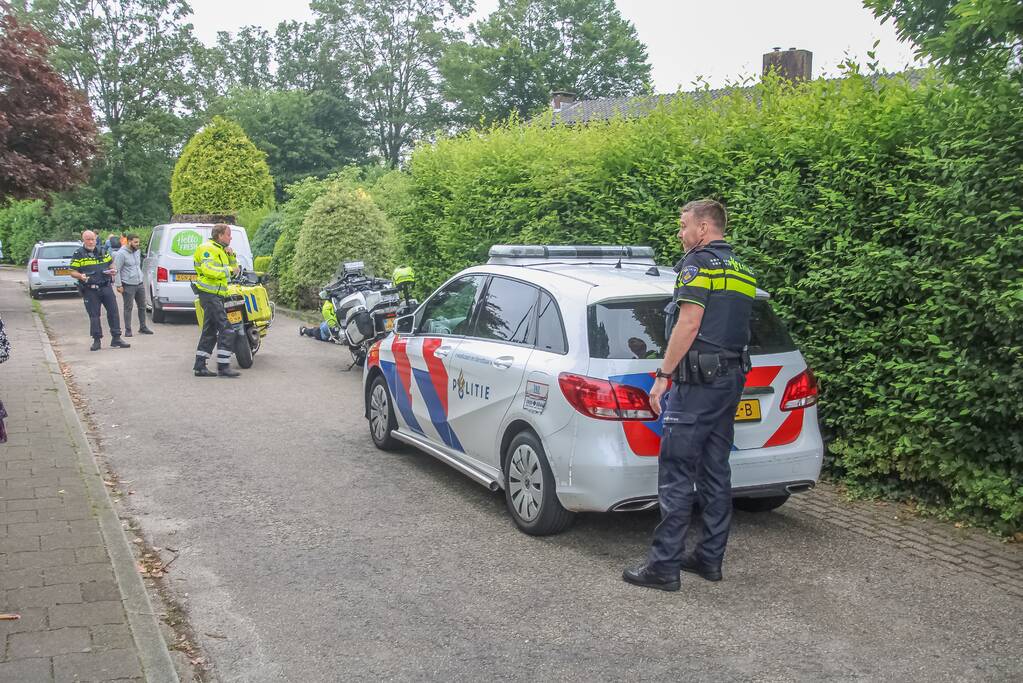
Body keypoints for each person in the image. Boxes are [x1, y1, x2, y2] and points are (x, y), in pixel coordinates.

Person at [623, 199, 756, 592]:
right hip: (730, 381)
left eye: (683, 226)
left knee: (677, 472)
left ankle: (664, 566)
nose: (680, 234)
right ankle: (709, 558)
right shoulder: (743, 270)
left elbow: (690, 321)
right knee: (716, 470)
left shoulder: (696, 266)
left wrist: (663, 375)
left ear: (702, 228)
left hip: (696, 384)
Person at [69, 231, 130, 352]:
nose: (91, 242)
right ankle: (97, 340)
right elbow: (72, 271)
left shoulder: (102, 250)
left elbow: (111, 263)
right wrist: (81, 276)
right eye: (88, 239)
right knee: (94, 316)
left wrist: (112, 270)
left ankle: (116, 338)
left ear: (96, 239)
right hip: (90, 289)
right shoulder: (79, 254)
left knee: (113, 312)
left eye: (93, 239)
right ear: (83, 240)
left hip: (106, 287)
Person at [192, 224, 240, 377]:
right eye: (228, 234)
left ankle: (200, 366)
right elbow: (208, 270)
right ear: (220, 235)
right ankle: (224, 367)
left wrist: (231, 257)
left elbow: (235, 271)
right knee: (227, 328)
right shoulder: (208, 248)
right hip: (209, 294)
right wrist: (229, 270)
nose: (230, 237)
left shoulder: (221, 250)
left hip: (216, 295)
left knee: (210, 331)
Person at [113, 233, 153, 337]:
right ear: (129, 241)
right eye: (135, 242)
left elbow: (137, 266)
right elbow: (116, 270)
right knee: (128, 307)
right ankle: (128, 329)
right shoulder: (121, 254)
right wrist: (118, 285)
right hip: (128, 285)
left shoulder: (137, 251)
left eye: (138, 242)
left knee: (142, 306)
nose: (137, 244)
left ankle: (143, 327)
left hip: (139, 283)